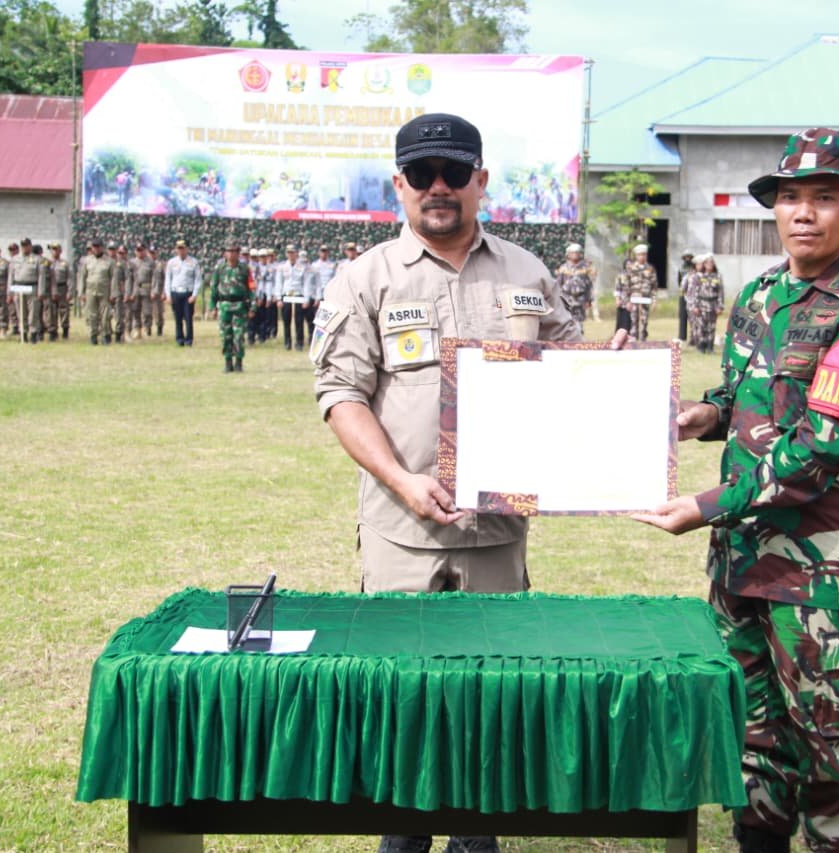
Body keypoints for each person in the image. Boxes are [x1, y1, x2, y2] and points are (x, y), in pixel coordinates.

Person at [313, 112, 591, 853]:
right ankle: (403, 838)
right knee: (402, 698)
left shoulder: (528, 273)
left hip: (496, 534)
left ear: (480, 180)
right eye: (423, 173)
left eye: (454, 172)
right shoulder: (365, 278)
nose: (439, 186)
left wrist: (609, 373)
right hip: (402, 534)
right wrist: (401, 479)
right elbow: (340, 395)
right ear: (399, 183)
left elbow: (571, 374)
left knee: (490, 699)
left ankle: (476, 837)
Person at [633, 127, 839, 853]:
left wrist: (707, 506)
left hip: (820, 571)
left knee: (830, 750)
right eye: (790, 197)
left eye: (825, 198)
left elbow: (820, 448)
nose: (803, 213)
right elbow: (743, 397)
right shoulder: (758, 294)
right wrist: (705, 415)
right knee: (752, 737)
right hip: (742, 559)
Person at [212, 241, 253, 372]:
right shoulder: (220, 268)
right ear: (225, 253)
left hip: (240, 306)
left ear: (238, 253)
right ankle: (228, 362)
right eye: (228, 251)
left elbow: (251, 288)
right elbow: (214, 288)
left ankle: (239, 362)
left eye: (234, 251)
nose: (231, 254)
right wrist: (212, 306)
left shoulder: (245, 269)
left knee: (239, 336)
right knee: (225, 336)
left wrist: (252, 307)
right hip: (224, 306)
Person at [7, 237, 47, 344]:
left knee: (33, 312)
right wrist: (9, 292)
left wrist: (41, 291)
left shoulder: (38, 259)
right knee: (20, 312)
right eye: (23, 245)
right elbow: (11, 276)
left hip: (32, 287)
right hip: (18, 287)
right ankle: (23, 333)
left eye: (26, 245)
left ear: (30, 246)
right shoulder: (15, 259)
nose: (25, 247)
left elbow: (41, 276)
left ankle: (33, 333)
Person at [77, 238, 116, 344]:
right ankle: (93, 336)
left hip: (104, 291)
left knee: (105, 315)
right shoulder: (87, 261)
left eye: (98, 246)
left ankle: (105, 335)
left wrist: (113, 293)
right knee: (91, 314)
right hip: (90, 291)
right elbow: (82, 277)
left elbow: (113, 279)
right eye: (94, 247)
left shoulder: (109, 261)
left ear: (102, 247)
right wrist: (81, 292)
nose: (96, 249)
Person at [684, 253, 724, 353]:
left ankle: (710, 347)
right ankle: (701, 347)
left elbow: (720, 292)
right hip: (701, 305)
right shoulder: (698, 276)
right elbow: (695, 293)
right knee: (701, 327)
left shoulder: (717, 276)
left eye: (711, 263)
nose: (709, 265)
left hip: (713, 305)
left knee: (711, 327)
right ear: (704, 264)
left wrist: (720, 306)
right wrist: (694, 306)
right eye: (707, 263)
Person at [553, 242, 596, 334]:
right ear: (568, 254)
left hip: (581, 298)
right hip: (566, 298)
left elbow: (589, 285)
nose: (575, 255)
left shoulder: (586, 268)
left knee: (579, 322)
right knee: (566, 321)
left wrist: (589, 300)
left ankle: (579, 338)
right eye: (573, 253)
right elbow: (558, 284)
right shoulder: (563, 268)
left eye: (577, 252)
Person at [617, 243, 657, 340]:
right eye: (640, 255)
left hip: (645, 299)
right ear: (636, 256)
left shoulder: (650, 269)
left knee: (644, 322)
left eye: (644, 254)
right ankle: (634, 342)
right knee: (633, 322)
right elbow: (626, 286)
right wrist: (627, 301)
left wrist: (654, 300)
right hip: (633, 299)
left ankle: (642, 341)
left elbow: (654, 286)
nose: (642, 257)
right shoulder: (631, 268)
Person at [165, 239, 201, 346]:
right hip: (175, 292)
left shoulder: (193, 262)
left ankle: (189, 340)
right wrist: (168, 295)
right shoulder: (171, 262)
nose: (180, 251)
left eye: (182, 248)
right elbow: (168, 279)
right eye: (179, 248)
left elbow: (198, 280)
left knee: (188, 318)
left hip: (188, 293)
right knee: (178, 318)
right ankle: (179, 339)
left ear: (187, 249)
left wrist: (194, 295)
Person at [276, 243, 310, 351]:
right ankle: (287, 342)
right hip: (286, 295)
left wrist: (306, 299)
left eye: (293, 252)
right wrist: (278, 298)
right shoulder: (282, 267)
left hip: (298, 295)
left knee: (299, 321)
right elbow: (279, 283)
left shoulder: (302, 267)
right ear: (286, 254)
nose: (291, 254)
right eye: (289, 252)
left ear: (297, 254)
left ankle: (299, 343)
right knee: (286, 320)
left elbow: (306, 283)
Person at [309, 244, 338, 340]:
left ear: (328, 252)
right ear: (319, 252)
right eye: (322, 251)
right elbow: (312, 282)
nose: (324, 253)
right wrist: (315, 296)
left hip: (329, 294)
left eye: (325, 251)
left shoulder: (332, 264)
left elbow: (335, 279)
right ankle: (314, 337)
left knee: (328, 317)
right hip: (318, 294)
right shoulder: (314, 265)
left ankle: (327, 337)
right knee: (316, 317)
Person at [48, 242, 72, 341]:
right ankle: (52, 331)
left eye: (56, 249)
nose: (54, 251)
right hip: (50, 289)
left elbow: (69, 278)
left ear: (60, 251)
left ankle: (65, 330)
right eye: (52, 249)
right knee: (51, 311)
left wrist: (69, 291)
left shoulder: (65, 263)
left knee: (64, 310)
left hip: (62, 287)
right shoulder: (47, 263)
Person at [676, 250, 696, 341]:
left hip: (692, 295)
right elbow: (679, 281)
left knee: (693, 316)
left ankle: (693, 336)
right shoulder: (681, 268)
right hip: (683, 294)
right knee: (682, 315)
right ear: (683, 258)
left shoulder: (694, 268)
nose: (688, 258)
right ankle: (682, 336)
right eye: (686, 257)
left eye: (689, 257)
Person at [149, 245, 166, 337]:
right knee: (146, 312)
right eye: (150, 252)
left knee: (158, 312)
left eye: (153, 252)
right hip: (146, 290)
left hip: (158, 292)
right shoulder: (146, 263)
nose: (152, 254)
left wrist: (164, 292)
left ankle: (159, 329)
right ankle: (147, 329)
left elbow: (165, 279)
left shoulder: (161, 264)